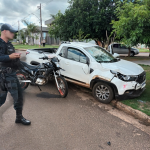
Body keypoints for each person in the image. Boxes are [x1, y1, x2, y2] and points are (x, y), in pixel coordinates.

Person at [0, 24, 31, 125]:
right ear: (4, 31)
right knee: (2, 98)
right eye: (11, 32)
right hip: (2, 76)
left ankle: (19, 118)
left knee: (19, 95)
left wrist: (18, 57)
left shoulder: (9, 44)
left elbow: (12, 59)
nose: (13, 34)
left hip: (12, 75)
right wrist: (9, 56)